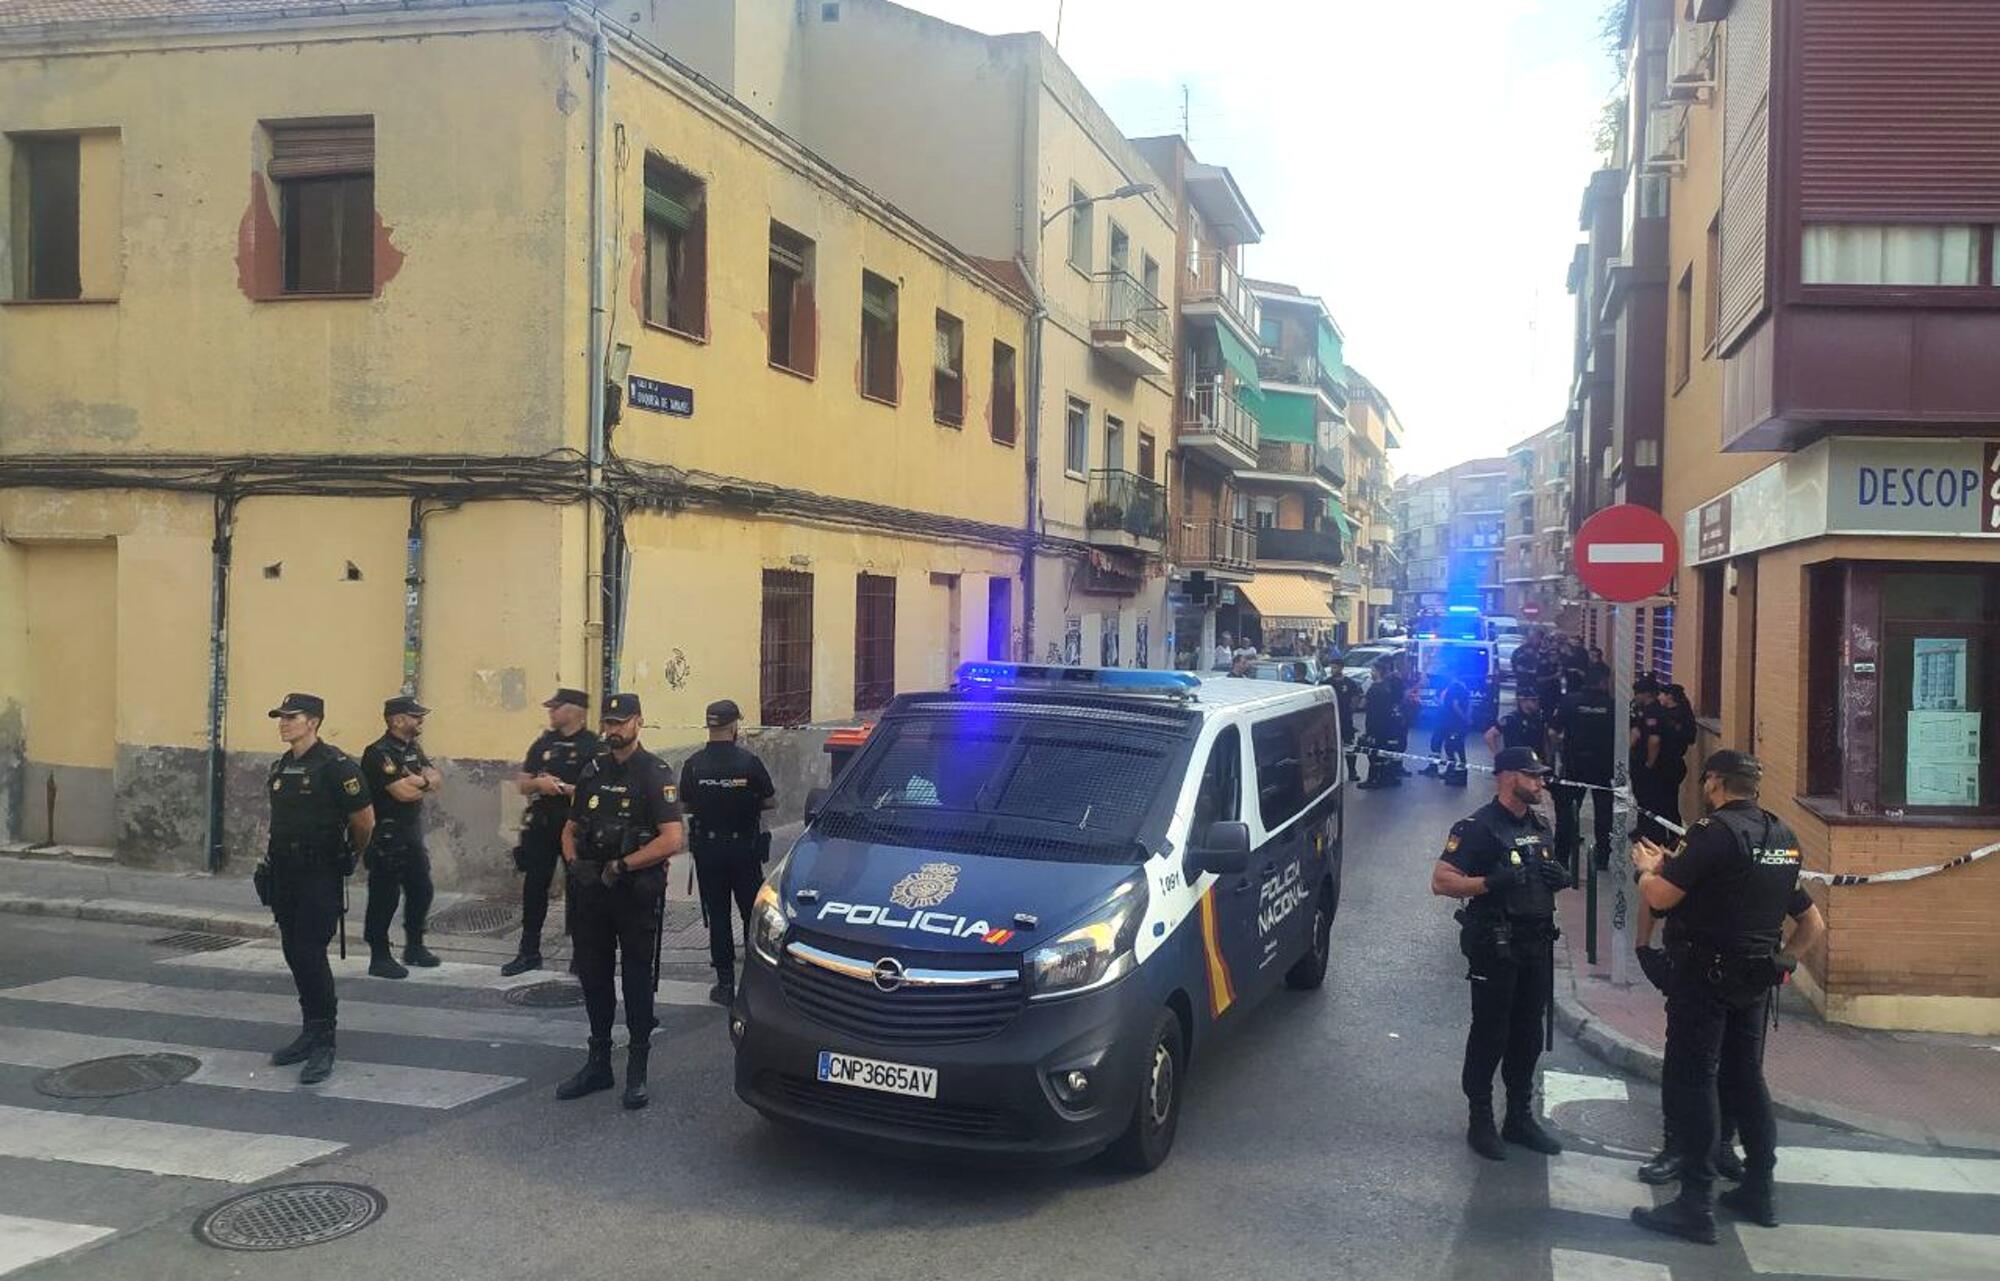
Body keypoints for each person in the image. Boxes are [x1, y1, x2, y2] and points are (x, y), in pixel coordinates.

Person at [1628, 750, 1827, 1244]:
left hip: (1705, 978)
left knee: (1696, 1081)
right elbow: (1812, 922)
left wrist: (1647, 870)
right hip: (1755, 980)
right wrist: (1787, 961)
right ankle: (1759, 1188)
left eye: (1707, 781)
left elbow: (1661, 898)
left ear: (1715, 782)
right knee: (1746, 1081)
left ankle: (1695, 1203)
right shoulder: (1782, 837)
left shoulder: (1712, 832)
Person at [1429, 746, 1571, 1161]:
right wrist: (1491, 883)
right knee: (1491, 1033)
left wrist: (1560, 878)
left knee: (1527, 1034)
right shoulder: (1477, 827)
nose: (1541, 783)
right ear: (1508, 777)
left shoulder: (1540, 823)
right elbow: (1441, 881)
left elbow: (1546, 872)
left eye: (1542, 776)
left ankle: (1519, 1116)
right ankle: (1480, 1118)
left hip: (1537, 942)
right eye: (1533, 776)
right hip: (1496, 944)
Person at [557, 693, 685, 1109]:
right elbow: (571, 827)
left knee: (635, 979)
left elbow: (672, 838)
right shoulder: (592, 770)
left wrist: (625, 865)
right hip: (592, 890)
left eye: (620, 723)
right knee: (594, 975)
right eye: (609, 723)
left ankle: (637, 1070)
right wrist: (574, 863)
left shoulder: (654, 772)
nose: (613, 730)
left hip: (633, 892)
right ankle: (598, 1063)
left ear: (638, 723)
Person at [255, 693, 373, 1085]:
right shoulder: (282, 765)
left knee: (309, 951)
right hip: (284, 872)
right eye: (281, 717)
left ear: (314, 722)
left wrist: (350, 855)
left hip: (319, 872)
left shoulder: (337, 767)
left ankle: (325, 1041)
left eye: (293, 717)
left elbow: (364, 820)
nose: (284, 723)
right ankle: (310, 1030)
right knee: (293, 950)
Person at [679, 699, 778, 1004]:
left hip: (708, 850)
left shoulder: (693, 764)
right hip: (744, 850)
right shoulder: (749, 763)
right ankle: (753, 978)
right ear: (735, 726)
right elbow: (770, 800)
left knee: (718, 916)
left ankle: (724, 985)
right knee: (751, 913)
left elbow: (684, 806)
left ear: (709, 726)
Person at [502, 688, 600, 976]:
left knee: (580, 889)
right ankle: (529, 951)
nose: (551, 712)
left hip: (576, 825)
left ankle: (582, 955)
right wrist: (539, 785)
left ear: (573, 711)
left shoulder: (593, 746)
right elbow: (522, 783)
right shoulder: (543, 743)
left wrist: (565, 789)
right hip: (542, 825)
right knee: (535, 888)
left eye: (556, 708)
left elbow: (598, 790)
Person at [359, 695, 443, 980]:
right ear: (397, 720)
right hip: (385, 834)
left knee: (422, 889)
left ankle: (415, 946)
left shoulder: (411, 748)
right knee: (385, 896)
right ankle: (379, 955)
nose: (421, 721)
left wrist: (420, 780)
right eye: (415, 716)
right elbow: (401, 793)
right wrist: (423, 783)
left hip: (410, 832)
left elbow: (435, 776)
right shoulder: (378, 752)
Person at [1552, 662, 1616, 873]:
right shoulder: (1612, 706)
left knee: (1568, 813)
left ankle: (1562, 858)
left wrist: (1558, 753)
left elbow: (1553, 731)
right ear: (1603, 681)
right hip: (1602, 767)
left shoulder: (1569, 701)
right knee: (1603, 814)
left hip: (1574, 765)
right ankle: (1603, 857)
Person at [1630, 676, 1673, 845]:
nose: (1635, 697)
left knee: (1650, 800)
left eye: (1638, 693)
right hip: (1644, 764)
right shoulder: (1646, 710)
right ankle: (1643, 830)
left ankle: (1652, 835)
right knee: (1643, 799)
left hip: (1649, 766)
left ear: (1646, 694)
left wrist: (1649, 764)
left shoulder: (1653, 712)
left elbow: (1654, 741)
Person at [1358, 657, 1405, 788]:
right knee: (1382, 753)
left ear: (1378, 672)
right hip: (1385, 726)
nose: (1370, 673)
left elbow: (1362, 706)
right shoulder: (1387, 687)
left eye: (1372, 670)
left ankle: (1373, 779)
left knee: (1373, 754)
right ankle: (1384, 777)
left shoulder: (1374, 688)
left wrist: (1363, 693)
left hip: (1374, 726)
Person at [1486, 686, 1548, 760]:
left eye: (1537, 700)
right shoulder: (1511, 719)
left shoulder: (1539, 718)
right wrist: (1497, 755)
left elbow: (1544, 740)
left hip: (1535, 759)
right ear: (1522, 701)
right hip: (1516, 760)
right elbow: (1489, 735)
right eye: (1533, 700)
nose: (1537, 703)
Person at [1438, 671, 1472, 785]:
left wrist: (1464, 718)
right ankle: (1453, 772)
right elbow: (1469, 704)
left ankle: (1455, 774)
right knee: (1456, 747)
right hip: (1457, 723)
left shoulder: (1455, 687)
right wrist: (1468, 718)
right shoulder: (1463, 687)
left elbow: (1455, 705)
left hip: (1454, 723)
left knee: (1452, 747)